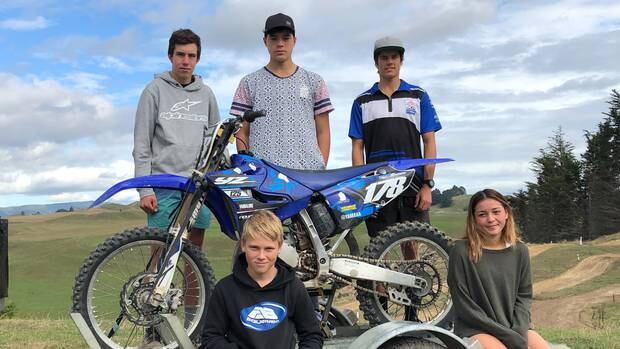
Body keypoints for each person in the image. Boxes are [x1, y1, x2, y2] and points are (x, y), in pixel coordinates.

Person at [133, 28, 220, 247]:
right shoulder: (153, 91)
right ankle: (153, 281)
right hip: (163, 183)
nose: (185, 61)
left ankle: (193, 284)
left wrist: (215, 178)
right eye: (180, 54)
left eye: (191, 56)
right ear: (170, 56)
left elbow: (215, 139)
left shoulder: (207, 94)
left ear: (198, 59)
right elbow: (142, 143)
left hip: (198, 184)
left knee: (194, 250)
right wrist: (144, 190)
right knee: (159, 246)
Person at [348, 36, 442, 238]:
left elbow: (429, 141)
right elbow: (357, 148)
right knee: (380, 246)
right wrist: (363, 189)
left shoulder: (418, 96)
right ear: (376, 62)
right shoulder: (362, 101)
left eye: (394, 57)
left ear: (401, 61)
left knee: (413, 244)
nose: (389, 62)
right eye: (384, 58)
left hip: (413, 184)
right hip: (377, 186)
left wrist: (428, 184)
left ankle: (413, 272)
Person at [201, 210, 323, 349]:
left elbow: (312, 336)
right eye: (254, 248)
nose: (261, 256)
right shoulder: (225, 289)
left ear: (279, 247)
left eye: (269, 249)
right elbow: (211, 338)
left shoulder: (294, 287)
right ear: (243, 245)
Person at [447, 189, 550, 349]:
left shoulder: (520, 250)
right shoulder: (461, 251)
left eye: (496, 212)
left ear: (506, 213)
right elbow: (464, 305)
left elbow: (523, 297)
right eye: (482, 214)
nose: (491, 219)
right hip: (476, 329)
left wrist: (517, 331)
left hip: (513, 327)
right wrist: (507, 336)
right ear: (473, 219)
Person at [230, 13, 333, 170]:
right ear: (265, 41)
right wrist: (250, 168)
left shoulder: (315, 81)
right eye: (274, 38)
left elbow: (323, 131)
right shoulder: (248, 83)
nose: (280, 44)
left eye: (286, 38)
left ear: (294, 41)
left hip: (307, 175)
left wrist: (319, 169)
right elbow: (242, 133)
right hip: (264, 176)